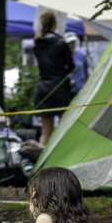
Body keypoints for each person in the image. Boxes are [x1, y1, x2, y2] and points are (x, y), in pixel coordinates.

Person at [33, 10, 75, 146]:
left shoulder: (37, 44)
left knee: (46, 132)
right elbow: (71, 66)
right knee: (65, 128)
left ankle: (40, 164)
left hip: (43, 88)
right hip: (59, 88)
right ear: (55, 23)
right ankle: (67, 159)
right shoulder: (60, 42)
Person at [64, 32, 89, 99]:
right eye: (69, 43)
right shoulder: (63, 58)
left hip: (81, 88)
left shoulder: (82, 55)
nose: (71, 44)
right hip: (68, 91)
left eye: (73, 42)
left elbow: (86, 72)